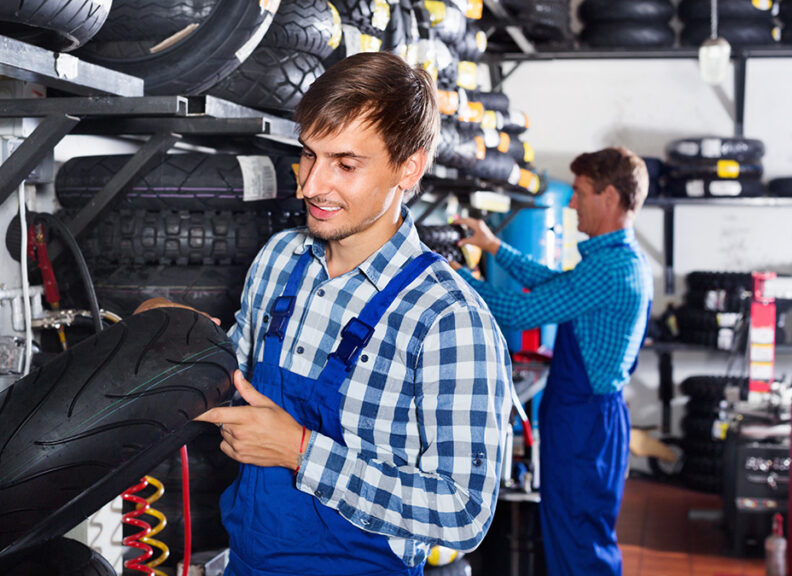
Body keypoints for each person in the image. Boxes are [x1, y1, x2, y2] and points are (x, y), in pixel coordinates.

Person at [137, 52, 512, 575]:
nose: (310, 185)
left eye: (345, 164)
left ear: (409, 167)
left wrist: (300, 451)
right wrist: (178, 335)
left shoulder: (448, 320)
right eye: (308, 155)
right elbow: (238, 377)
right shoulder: (281, 259)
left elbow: (464, 513)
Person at [452, 147, 654, 576]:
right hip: (585, 420)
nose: (572, 204)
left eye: (580, 193)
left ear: (611, 197)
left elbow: (519, 312)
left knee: (580, 543)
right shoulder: (613, 260)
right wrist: (494, 248)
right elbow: (557, 285)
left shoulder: (613, 269)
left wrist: (455, 278)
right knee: (572, 536)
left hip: (586, 424)